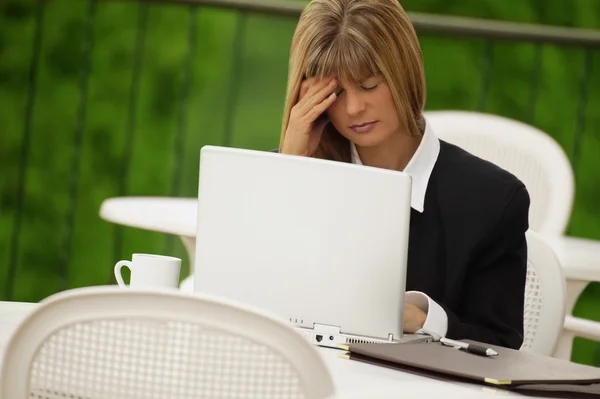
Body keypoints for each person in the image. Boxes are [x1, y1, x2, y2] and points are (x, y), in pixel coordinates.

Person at [278, 0, 530, 349]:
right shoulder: (290, 175)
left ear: (404, 72)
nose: (353, 109)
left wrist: (426, 320)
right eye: (335, 94)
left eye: (368, 85)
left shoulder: (493, 202)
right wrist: (289, 169)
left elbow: (501, 348)